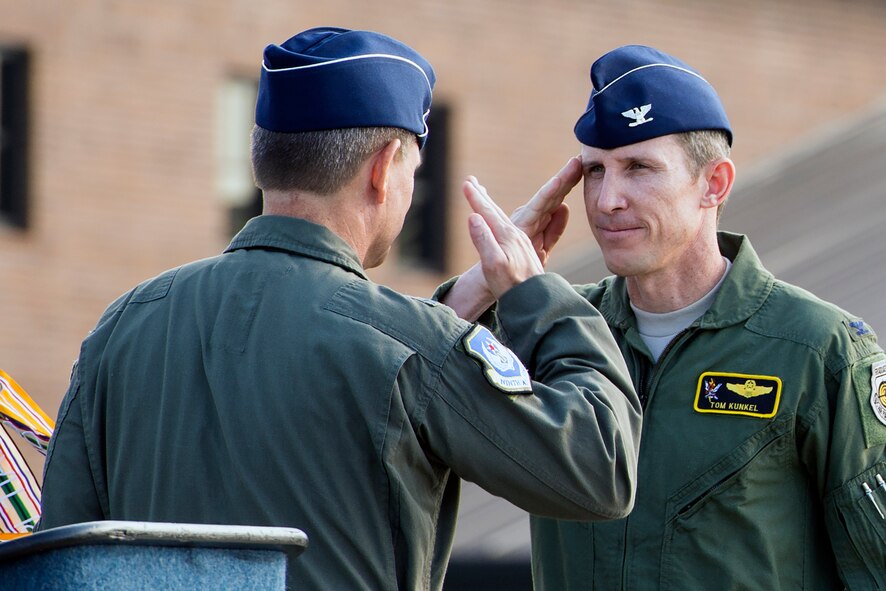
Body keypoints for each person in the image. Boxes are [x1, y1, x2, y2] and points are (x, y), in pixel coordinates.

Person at [36, 27, 644, 590]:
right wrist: (533, 292)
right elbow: (599, 469)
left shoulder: (124, 325)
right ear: (383, 170)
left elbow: (60, 557)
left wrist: (461, 308)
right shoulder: (409, 347)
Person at [441, 45, 886, 589]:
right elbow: (399, 391)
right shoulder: (547, 330)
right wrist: (485, 283)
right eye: (596, 172)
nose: (607, 201)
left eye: (639, 169)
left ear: (714, 184)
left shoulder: (817, 349)